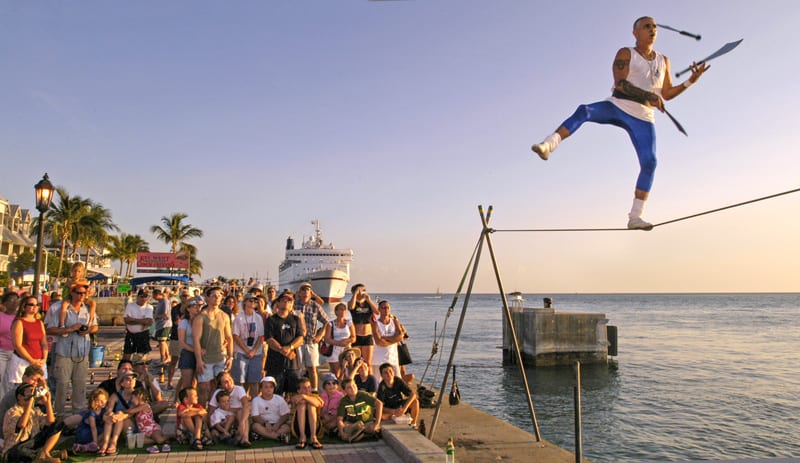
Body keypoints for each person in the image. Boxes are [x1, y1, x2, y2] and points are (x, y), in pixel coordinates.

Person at [530, 16, 709, 230]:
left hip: (643, 117)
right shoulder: (626, 53)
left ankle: (635, 217)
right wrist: (648, 95)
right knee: (585, 110)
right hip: (618, 106)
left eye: (654, 27)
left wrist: (690, 81)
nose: (652, 29)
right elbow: (621, 84)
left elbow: (667, 93)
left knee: (650, 162)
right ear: (635, 33)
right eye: (646, 26)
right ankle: (549, 144)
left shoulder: (664, 60)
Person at [43, 279, 98, 418]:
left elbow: (96, 326)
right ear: (72, 293)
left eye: (84, 293)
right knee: (62, 384)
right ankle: (59, 415)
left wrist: (87, 330)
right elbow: (49, 329)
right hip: (64, 352)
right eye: (78, 293)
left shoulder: (88, 309)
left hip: (82, 352)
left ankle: (77, 416)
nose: (81, 296)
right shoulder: (62, 309)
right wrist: (70, 329)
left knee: (80, 385)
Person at [2, 383, 64, 463]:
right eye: (30, 392)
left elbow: (50, 422)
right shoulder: (12, 411)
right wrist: (29, 404)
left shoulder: (35, 410)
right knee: (19, 451)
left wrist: (47, 403)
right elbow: (22, 425)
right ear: (20, 397)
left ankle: (44, 453)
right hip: (15, 446)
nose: (33, 395)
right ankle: (43, 456)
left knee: (58, 424)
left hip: (31, 444)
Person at [192, 286, 234, 408]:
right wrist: (199, 360)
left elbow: (229, 337)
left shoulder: (224, 316)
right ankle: (202, 415)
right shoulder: (200, 317)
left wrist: (231, 357)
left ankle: (215, 415)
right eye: (214, 295)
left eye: (220, 295)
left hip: (221, 357)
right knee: (204, 388)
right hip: (206, 358)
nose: (217, 298)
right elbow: (196, 339)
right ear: (207, 297)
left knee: (219, 388)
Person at [264, 290, 305, 396]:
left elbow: (300, 337)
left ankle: (292, 412)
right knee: (275, 392)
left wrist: (290, 347)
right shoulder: (271, 320)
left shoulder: (296, 319)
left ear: (292, 304)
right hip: (275, 363)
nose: (286, 302)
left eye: (289, 301)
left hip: (293, 363)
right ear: (277, 303)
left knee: (294, 392)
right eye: (283, 300)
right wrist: (283, 351)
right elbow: (269, 339)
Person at [295, 282, 330, 391]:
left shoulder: (315, 306)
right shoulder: (294, 305)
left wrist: (320, 335)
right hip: (297, 342)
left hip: (311, 342)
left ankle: (314, 390)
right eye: (303, 289)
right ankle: (298, 391)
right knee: (297, 369)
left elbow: (327, 322)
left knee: (313, 368)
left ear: (311, 293)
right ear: (299, 292)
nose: (306, 292)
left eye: (308, 290)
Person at [7, 296, 49, 388]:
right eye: (31, 304)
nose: (34, 307)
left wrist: (44, 359)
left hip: (39, 361)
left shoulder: (39, 323)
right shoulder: (19, 322)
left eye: (36, 305)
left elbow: (44, 343)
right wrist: (31, 360)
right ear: (24, 307)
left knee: (41, 389)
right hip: (22, 361)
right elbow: (17, 345)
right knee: (21, 389)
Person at [231, 295, 265, 398]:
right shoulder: (238, 317)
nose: (253, 302)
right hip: (241, 352)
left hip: (256, 352)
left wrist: (253, 351)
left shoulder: (258, 317)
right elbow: (236, 336)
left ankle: (254, 404)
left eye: (255, 301)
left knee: (254, 381)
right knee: (240, 381)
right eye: (251, 300)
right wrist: (246, 350)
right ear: (245, 302)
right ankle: (240, 403)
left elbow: (260, 336)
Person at [208, 371, 251, 447]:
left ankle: (245, 438)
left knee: (241, 412)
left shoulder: (239, 389)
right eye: (225, 382)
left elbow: (246, 405)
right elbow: (211, 411)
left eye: (229, 379)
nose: (229, 382)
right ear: (221, 385)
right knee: (237, 412)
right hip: (223, 420)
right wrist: (211, 426)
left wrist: (242, 422)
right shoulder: (218, 392)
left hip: (238, 418)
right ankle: (229, 436)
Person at [337, 378, 383, 443]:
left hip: (367, 423)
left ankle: (355, 435)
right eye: (349, 388)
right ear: (344, 391)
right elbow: (339, 419)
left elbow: (379, 403)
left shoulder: (363, 395)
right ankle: (359, 434)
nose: (353, 389)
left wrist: (377, 423)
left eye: (354, 386)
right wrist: (342, 433)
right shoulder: (344, 401)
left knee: (371, 428)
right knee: (344, 428)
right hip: (352, 423)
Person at [370, 300, 405, 383]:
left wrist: (384, 338)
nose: (386, 310)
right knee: (378, 383)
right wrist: (394, 338)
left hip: (393, 358)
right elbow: (378, 342)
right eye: (383, 308)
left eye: (388, 307)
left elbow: (400, 337)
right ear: (379, 309)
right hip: (379, 359)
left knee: (397, 381)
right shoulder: (375, 324)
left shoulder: (394, 321)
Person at [249, 376, 291, 444]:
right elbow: (255, 416)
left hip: (278, 424)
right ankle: (278, 437)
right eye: (266, 387)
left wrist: (277, 425)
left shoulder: (279, 399)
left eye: (271, 387)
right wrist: (265, 423)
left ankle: (263, 436)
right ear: (261, 389)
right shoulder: (256, 400)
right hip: (263, 425)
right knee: (255, 426)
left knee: (287, 427)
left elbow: (285, 415)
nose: (269, 389)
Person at [348, 284, 378, 373]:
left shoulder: (368, 303)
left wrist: (369, 300)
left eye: (364, 289)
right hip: (356, 336)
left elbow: (377, 311)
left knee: (368, 363)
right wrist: (355, 294)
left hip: (367, 336)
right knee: (356, 363)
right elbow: (351, 307)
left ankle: (371, 383)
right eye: (360, 290)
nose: (362, 291)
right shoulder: (352, 302)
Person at [129, 389, 169, 453]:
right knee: (135, 441)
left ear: (139, 396)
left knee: (159, 440)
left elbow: (130, 411)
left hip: (152, 429)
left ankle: (170, 436)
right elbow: (129, 415)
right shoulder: (136, 407)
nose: (131, 400)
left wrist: (123, 410)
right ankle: (154, 441)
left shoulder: (145, 405)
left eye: (132, 398)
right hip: (143, 432)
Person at [177, 296, 202, 395]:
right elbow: (182, 342)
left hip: (201, 352)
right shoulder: (184, 322)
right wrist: (195, 350)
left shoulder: (202, 321)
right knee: (187, 383)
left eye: (199, 306)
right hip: (188, 352)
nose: (197, 309)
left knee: (198, 382)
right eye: (194, 307)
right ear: (188, 309)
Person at [324, 302, 356, 378]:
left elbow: (354, 337)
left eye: (344, 310)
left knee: (348, 371)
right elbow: (327, 339)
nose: (343, 311)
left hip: (347, 349)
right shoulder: (330, 324)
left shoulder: (349, 322)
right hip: (335, 350)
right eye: (341, 309)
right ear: (336, 311)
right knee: (337, 373)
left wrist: (347, 341)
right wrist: (339, 343)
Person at [291, 377, 324, 450]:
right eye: (304, 388)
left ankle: (313, 437)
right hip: (298, 428)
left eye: (309, 387)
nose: (307, 390)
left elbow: (318, 403)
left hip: (315, 427)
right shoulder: (295, 397)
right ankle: (302, 437)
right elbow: (296, 401)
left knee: (311, 406)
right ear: (298, 390)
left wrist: (304, 397)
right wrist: (305, 398)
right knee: (301, 405)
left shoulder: (315, 396)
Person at [176, 386, 212, 451]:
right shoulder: (181, 406)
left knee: (198, 416)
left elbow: (204, 413)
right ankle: (199, 437)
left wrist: (190, 409)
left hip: (198, 431)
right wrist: (197, 412)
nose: (197, 397)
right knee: (186, 417)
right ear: (186, 399)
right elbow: (181, 413)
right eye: (194, 395)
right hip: (184, 435)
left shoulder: (197, 405)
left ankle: (197, 438)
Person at [122, 289, 154, 361]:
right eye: (141, 296)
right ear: (137, 297)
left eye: (145, 296)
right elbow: (126, 320)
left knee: (141, 357)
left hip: (143, 334)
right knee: (126, 355)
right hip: (130, 334)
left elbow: (149, 322)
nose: (143, 298)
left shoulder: (149, 307)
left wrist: (133, 319)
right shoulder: (130, 306)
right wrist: (142, 321)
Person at [72, 388, 107, 454]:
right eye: (100, 401)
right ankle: (92, 445)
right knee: (103, 435)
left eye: (104, 399)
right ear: (95, 402)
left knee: (106, 436)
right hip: (86, 432)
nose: (103, 402)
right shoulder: (91, 413)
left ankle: (84, 447)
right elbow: (93, 428)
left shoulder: (103, 410)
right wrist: (95, 442)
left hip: (96, 430)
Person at [0, 292, 19, 398]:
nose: (14, 303)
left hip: (16, 352)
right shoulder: (1, 316)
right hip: (1, 351)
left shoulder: (19, 317)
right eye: (11, 300)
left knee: (12, 380)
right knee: (2, 379)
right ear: (5, 303)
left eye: (16, 300)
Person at [152, 288, 173, 366]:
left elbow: (166, 314)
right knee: (162, 342)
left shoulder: (165, 301)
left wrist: (157, 317)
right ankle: (167, 357)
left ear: (157, 295)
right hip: (159, 325)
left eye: (154, 295)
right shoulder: (160, 302)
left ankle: (163, 358)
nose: (153, 297)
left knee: (162, 341)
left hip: (165, 324)